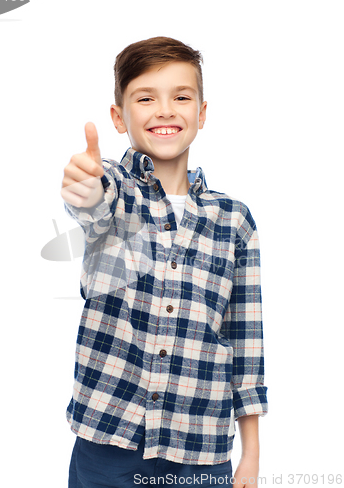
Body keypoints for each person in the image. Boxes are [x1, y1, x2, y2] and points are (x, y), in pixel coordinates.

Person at [61, 36, 268, 488]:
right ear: (119, 117)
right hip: (107, 443)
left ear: (202, 111)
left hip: (201, 450)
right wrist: (87, 191)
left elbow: (245, 343)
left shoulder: (234, 220)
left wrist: (250, 456)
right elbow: (95, 204)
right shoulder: (117, 192)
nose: (165, 110)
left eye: (181, 96)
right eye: (146, 97)